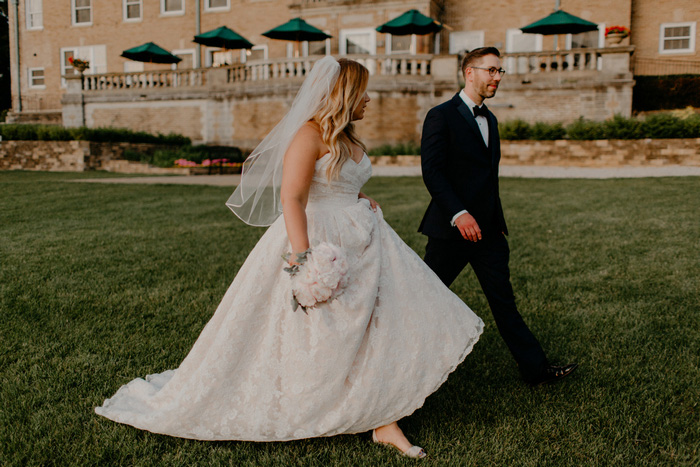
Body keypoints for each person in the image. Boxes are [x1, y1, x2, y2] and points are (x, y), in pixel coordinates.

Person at [95, 57, 484, 458]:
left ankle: (382, 418)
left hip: (364, 238)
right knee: (322, 329)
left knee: (379, 323)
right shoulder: (308, 135)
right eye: (363, 91)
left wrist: (359, 198)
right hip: (319, 240)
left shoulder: (348, 137)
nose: (369, 99)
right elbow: (293, 198)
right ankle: (329, 399)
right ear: (344, 94)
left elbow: (338, 182)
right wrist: (304, 262)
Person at [419, 47, 577, 386]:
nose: (498, 77)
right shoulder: (441, 115)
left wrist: (496, 223)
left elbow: (488, 179)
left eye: (500, 71)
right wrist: (459, 214)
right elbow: (432, 172)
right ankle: (403, 368)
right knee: (422, 298)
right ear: (470, 72)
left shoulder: (490, 119)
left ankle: (535, 370)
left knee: (504, 303)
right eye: (491, 70)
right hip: (451, 233)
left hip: (488, 234)